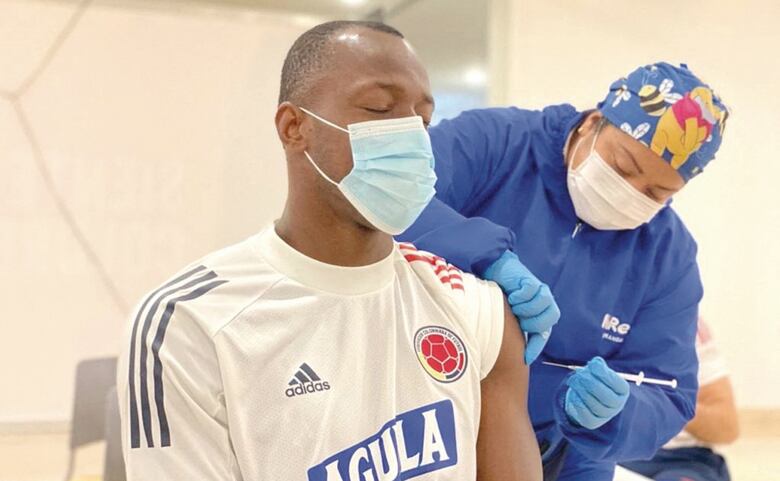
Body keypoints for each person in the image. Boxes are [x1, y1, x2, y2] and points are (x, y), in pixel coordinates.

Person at [117, 20, 543, 480]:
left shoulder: (476, 309)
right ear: (294, 126)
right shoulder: (189, 324)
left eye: (422, 120)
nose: (411, 138)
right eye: (379, 108)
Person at [398, 62, 730, 480]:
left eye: (656, 192)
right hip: (424, 417)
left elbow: (670, 391)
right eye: (624, 166)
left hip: (565, 451)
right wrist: (485, 257)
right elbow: (396, 200)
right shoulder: (496, 144)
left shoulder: (666, 252)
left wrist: (618, 413)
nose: (630, 193)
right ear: (592, 124)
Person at [616, 317, 738, 481]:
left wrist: (669, 402)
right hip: (600, 452)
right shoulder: (583, 320)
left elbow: (726, 428)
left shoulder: (688, 328)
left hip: (681, 459)